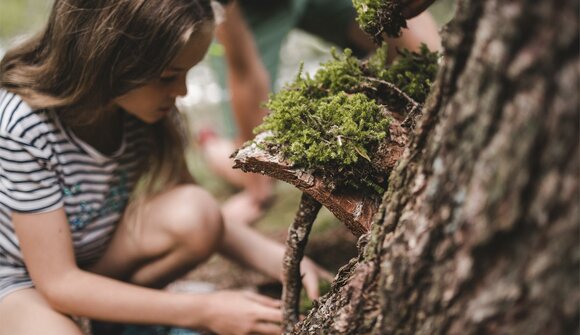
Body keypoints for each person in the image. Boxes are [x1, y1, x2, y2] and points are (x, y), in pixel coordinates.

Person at [0, 1, 331, 334]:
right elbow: (58, 283)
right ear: (108, 57)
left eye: (187, 73)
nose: (182, 91)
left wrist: (288, 264)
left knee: (194, 210)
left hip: (95, 262)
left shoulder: (144, 112)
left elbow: (205, 219)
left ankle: (110, 317)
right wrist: (203, 311)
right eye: (168, 76)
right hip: (22, 281)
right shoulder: (24, 123)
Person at [199, 0, 442, 223]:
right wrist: (257, 194)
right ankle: (210, 144)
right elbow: (244, 72)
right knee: (254, 162)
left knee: (425, 61)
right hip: (250, 8)